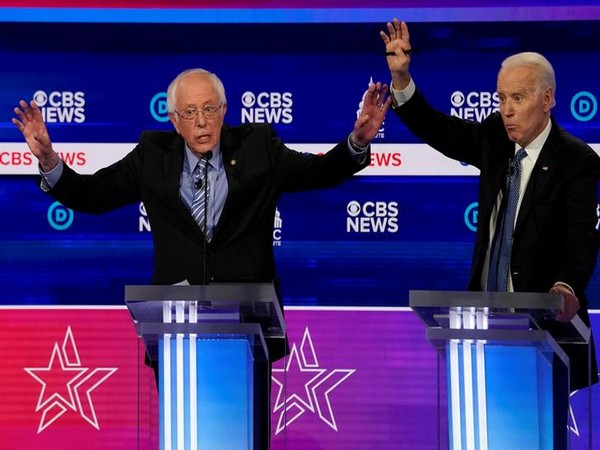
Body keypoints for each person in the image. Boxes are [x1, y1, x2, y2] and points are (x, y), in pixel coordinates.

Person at [12, 67, 391, 448]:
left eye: (209, 109)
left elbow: (318, 172)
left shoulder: (258, 146)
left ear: (224, 111)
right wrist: (48, 160)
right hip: (176, 330)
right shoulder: (152, 155)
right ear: (174, 120)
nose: (202, 122)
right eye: (190, 113)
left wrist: (357, 141)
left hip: (248, 330)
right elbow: (92, 195)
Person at [380, 18, 599, 445]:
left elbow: (581, 236)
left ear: (548, 98)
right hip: (483, 326)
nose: (507, 109)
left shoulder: (576, 161)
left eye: (518, 97)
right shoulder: (495, 140)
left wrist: (566, 285)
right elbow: (441, 131)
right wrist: (402, 80)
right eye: (502, 98)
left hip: (546, 333)